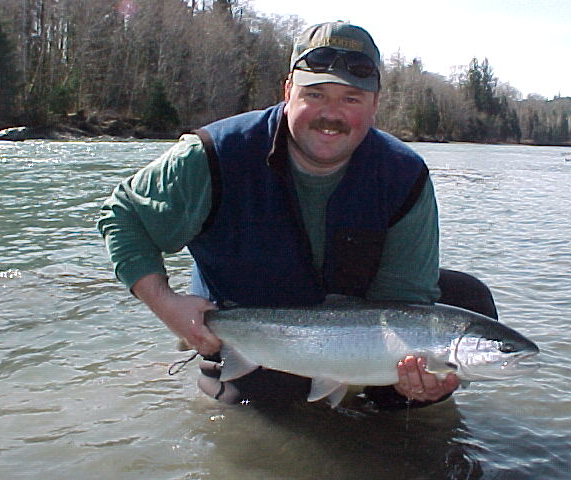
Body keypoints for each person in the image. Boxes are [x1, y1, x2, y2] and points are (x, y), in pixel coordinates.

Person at [98, 21, 497, 409]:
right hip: (243, 327)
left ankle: (384, 403)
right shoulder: (215, 154)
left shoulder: (402, 175)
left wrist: (424, 384)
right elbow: (123, 216)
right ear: (289, 91)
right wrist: (168, 305)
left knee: (465, 299)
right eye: (316, 94)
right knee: (263, 414)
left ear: (374, 104)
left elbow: (406, 297)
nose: (331, 114)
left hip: (352, 324)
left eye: (351, 99)